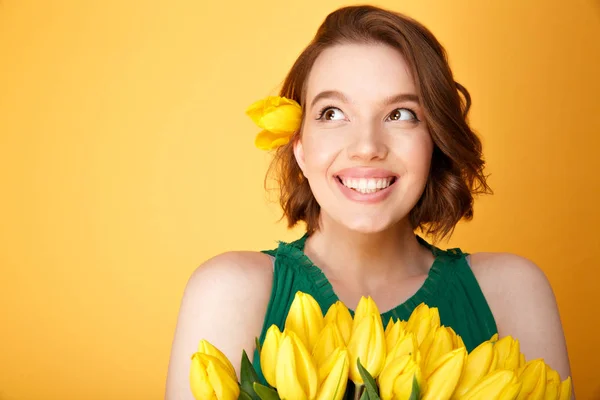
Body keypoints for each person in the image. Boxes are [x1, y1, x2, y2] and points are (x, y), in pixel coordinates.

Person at [165, 4, 574, 399]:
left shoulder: (512, 292)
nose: (366, 147)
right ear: (300, 147)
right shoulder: (229, 291)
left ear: (435, 140)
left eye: (400, 114)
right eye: (332, 113)